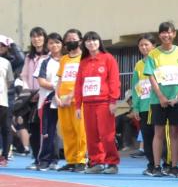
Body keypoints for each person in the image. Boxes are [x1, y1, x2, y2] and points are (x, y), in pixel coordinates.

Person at [144, 22, 178, 177]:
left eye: (169, 32)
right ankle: (156, 166)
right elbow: (151, 76)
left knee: (175, 132)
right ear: (159, 35)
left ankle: (174, 166)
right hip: (158, 101)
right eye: (163, 32)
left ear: (174, 34)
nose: (166, 35)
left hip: (177, 100)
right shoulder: (153, 54)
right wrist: (161, 96)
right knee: (159, 133)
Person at [73, 31, 121, 174]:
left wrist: (113, 100)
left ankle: (112, 163)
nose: (91, 43)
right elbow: (78, 85)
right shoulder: (83, 62)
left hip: (104, 103)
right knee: (91, 135)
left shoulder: (108, 59)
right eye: (88, 41)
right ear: (84, 44)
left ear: (99, 42)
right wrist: (77, 105)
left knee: (107, 135)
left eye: (94, 40)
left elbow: (114, 80)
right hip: (87, 104)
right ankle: (96, 162)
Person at [55, 29, 87, 172]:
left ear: (80, 41)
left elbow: (83, 80)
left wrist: (71, 96)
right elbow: (60, 79)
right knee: (66, 131)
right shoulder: (63, 59)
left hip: (78, 100)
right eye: (68, 39)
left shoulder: (84, 58)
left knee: (80, 130)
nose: (70, 41)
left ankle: (81, 159)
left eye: (73, 38)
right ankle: (71, 160)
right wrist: (56, 96)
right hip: (62, 101)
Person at [131, 34, 159, 176]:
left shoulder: (158, 60)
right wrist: (135, 106)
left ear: (153, 46)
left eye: (146, 44)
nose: (144, 47)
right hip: (143, 107)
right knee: (147, 137)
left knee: (160, 136)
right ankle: (151, 164)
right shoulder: (138, 65)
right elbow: (136, 86)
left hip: (158, 105)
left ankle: (163, 164)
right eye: (141, 45)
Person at [33, 32, 62, 170]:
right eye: (51, 43)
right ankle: (46, 159)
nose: (54, 45)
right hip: (47, 100)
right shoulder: (44, 61)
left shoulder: (69, 60)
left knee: (72, 130)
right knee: (48, 130)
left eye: (57, 42)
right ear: (47, 45)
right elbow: (41, 81)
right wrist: (58, 86)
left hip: (68, 99)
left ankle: (77, 160)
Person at [20, 26, 47, 166]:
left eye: (39, 36)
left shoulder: (49, 56)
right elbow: (24, 76)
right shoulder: (29, 57)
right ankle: (37, 158)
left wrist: (41, 92)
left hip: (46, 97)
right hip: (31, 98)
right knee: (34, 129)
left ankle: (49, 159)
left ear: (44, 37)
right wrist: (28, 92)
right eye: (34, 36)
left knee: (48, 130)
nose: (37, 39)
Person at [0, 39, 14, 166]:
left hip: (2, 100)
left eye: (2, 46)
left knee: (5, 128)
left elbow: (10, 81)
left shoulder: (5, 63)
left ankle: (4, 155)